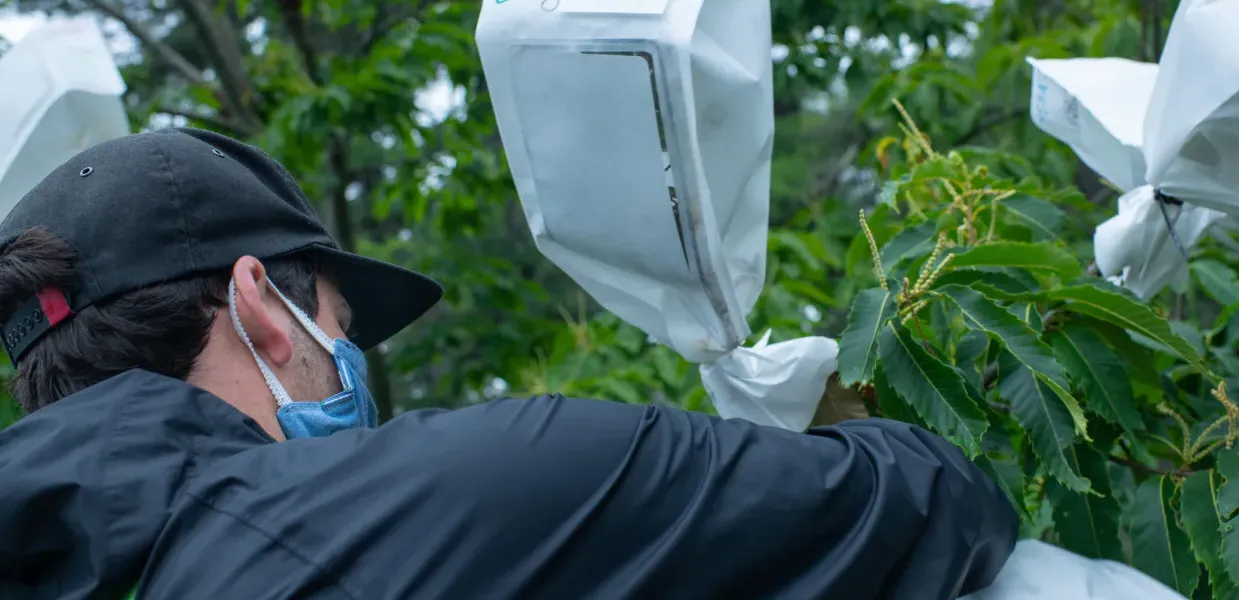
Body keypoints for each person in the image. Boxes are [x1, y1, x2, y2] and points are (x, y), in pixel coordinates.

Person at [0, 128, 1018, 599]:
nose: (347, 360)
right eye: (340, 327)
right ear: (264, 310)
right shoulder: (454, 493)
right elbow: (928, 502)